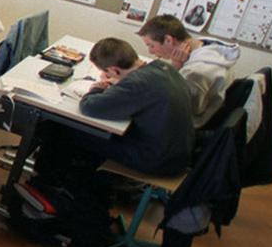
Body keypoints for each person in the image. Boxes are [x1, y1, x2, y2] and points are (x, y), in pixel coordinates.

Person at [40, 37, 195, 177]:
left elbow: (89, 107)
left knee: (62, 128)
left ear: (114, 70)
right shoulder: (160, 67)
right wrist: (118, 82)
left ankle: (50, 179)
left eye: (107, 73)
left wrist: (97, 88)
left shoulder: (137, 83)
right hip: (177, 154)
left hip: (155, 160)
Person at [137, 14, 240, 127]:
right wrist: (177, 66)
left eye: (151, 45)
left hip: (186, 128)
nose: (150, 52)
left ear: (168, 40)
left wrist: (175, 69)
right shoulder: (206, 48)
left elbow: (176, 107)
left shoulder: (196, 72)